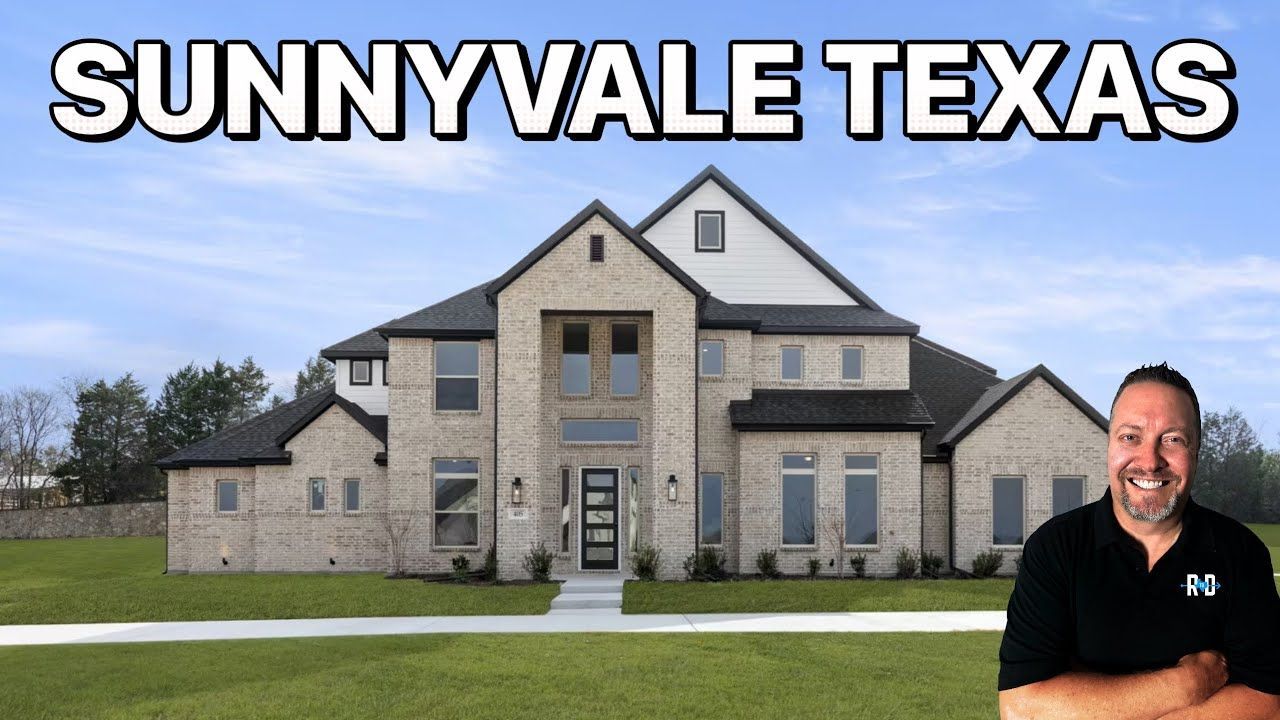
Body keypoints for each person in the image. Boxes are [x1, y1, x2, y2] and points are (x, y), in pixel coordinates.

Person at [998, 362, 1280, 719]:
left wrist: (1087, 704)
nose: (1150, 462)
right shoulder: (1054, 549)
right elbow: (1022, 709)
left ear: (1196, 451)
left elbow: (1267, 705)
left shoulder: (1241, 554)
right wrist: (1186, 685)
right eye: (1131, 436)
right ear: (1110, 444)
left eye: (1173, 439)